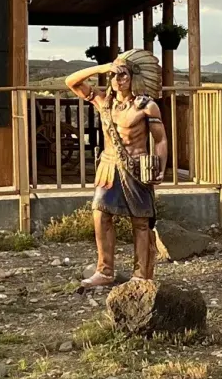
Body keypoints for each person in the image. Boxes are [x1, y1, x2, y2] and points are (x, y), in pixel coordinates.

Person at [67, 48, 168, 290]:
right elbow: (71, 82)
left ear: (134, 78)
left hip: (136, 167)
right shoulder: (104, 102)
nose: (118, 80)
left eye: (123, 75)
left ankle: (142, 274)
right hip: (109, 166)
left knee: (141, 222)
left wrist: (160, 168)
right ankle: (105, 270)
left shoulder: (147, 106)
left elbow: (161, 139)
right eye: (114, 76)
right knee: (100, 214)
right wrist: (102, 68)